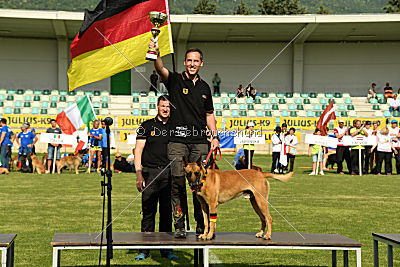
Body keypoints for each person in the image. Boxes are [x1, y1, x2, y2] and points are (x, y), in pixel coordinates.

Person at [151, 37, 219, 238]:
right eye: (189, 60)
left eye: (196, 61)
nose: (192, 64)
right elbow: (160, 69)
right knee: (178, 183)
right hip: (178, 141)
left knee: (201, 184)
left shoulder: (206, 87)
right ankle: (179, 225)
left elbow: (209, 115)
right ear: (184, 62)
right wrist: (156, 54)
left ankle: (202, 225)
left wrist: (214, 137)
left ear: (201, 63)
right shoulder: (174, 80)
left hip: (200, 142)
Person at [134, 95, 177, 261]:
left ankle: (166, 249)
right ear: (157, 107)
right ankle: (145, 249)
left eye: (168, 106)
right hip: (150, 173)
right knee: (148, 212)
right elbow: (137, 151)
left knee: (167, 213)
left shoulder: (176, 127)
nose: (165, 109)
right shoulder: (146, 126)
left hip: (170, 174)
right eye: (162, 106)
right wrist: (138, 174)